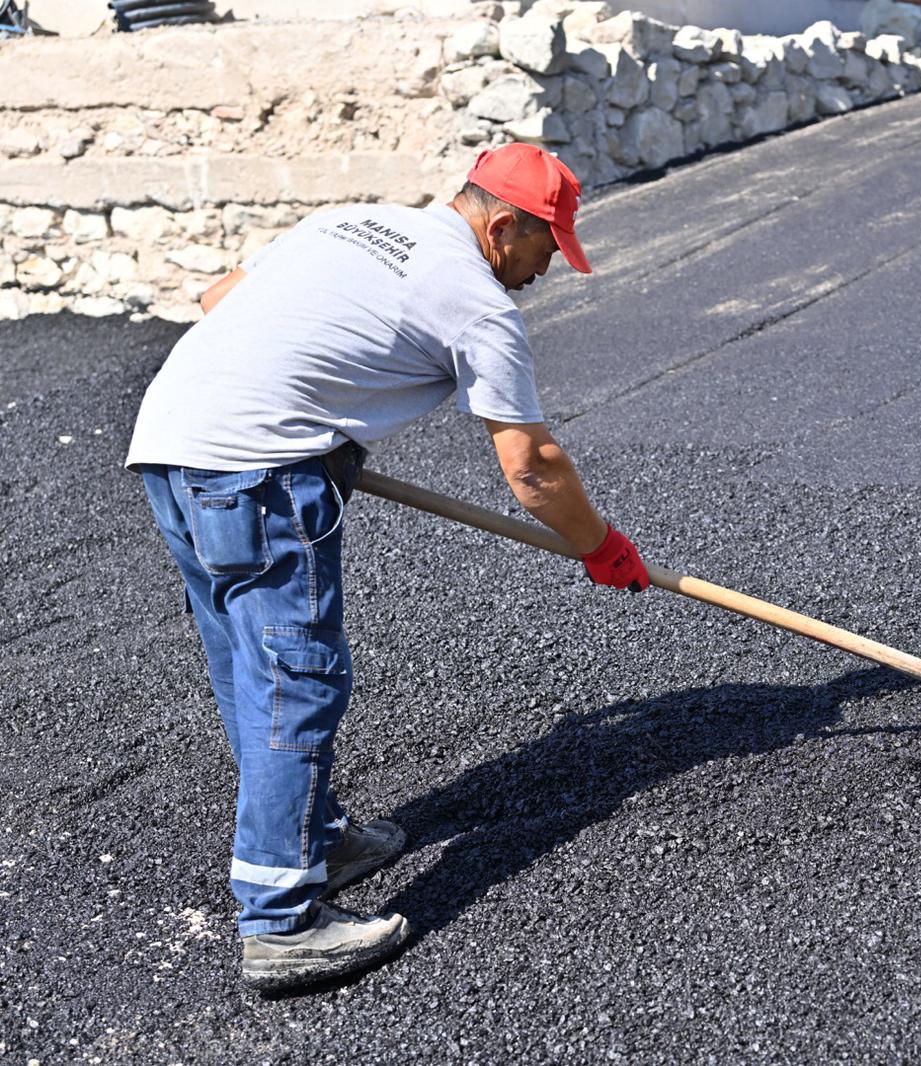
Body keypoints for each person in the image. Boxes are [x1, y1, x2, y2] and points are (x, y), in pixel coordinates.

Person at [124, 144, 650, 993]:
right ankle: (281, 922)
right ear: (501, 227)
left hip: (171, 448)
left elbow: (220, 300)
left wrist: (314, 409)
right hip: (256, 473)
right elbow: (532, 466)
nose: (546, 269)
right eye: (546, 247)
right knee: (296, 681)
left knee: (249, 669)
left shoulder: (349, 221)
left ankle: (315, 841)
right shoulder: (477, 302)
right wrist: (601, 545)